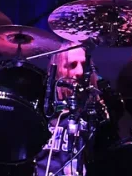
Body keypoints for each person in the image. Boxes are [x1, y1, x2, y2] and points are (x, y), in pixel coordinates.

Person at [34, 42, 98, 176]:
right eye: (72, 65)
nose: (80, 72)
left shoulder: (93, 110)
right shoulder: (39, 104)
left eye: (83, 65)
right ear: (57, 69)